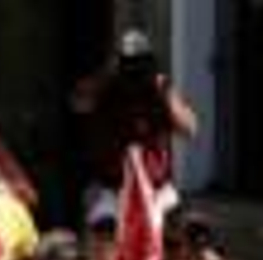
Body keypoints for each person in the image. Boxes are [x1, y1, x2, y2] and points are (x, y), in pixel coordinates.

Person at [72, 28, 198, 207]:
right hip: (111, 188)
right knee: (101, 222)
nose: (133, 70)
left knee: (182, 225)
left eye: (139, 63)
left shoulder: (159, 92)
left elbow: (190, 129)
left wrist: (164, 91)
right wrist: (105, 75)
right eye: (128, 62)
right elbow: (77, 104)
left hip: (156, 189)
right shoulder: (106, 90)